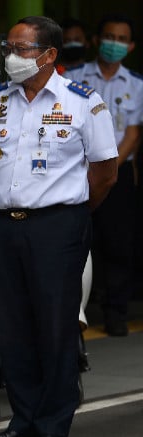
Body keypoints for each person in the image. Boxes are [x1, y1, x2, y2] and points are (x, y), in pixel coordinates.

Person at [0, 16, 117, 437]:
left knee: (54, 324)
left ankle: (54, 421)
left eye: (22, 49)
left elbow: (105, 172)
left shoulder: (82, 103)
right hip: (2, 224)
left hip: (59, 225)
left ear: (50, 55)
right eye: (8, 47)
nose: (12, 57)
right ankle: (24, 417)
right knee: (14, 325)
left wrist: (69, 212)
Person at [64, 14, 142, 337]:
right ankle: (72, 312)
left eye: (122, 39)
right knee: (76, 241)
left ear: (132, 46)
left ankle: (115, 311)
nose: (115, 44)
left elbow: (134, 133)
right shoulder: (73, 76)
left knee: (117, 244)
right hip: (76, 172)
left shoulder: (137, 84)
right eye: (110, 36)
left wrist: (109, 165)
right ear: (96, 40)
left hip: (118, 173)